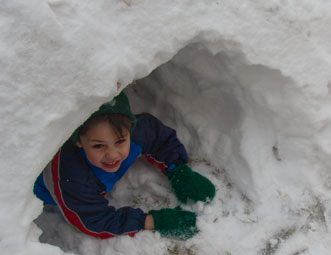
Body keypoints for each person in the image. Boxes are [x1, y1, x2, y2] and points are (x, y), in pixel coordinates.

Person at [33, 91, 215, 240]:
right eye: (98, 145)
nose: (112, 154)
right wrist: (153, 221)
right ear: (79, 142)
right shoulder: (73, 177)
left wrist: (179, 171)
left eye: (120, 141)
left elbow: (157, 136)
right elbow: (92, 221)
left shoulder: (135, 134)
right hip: (50, 194)